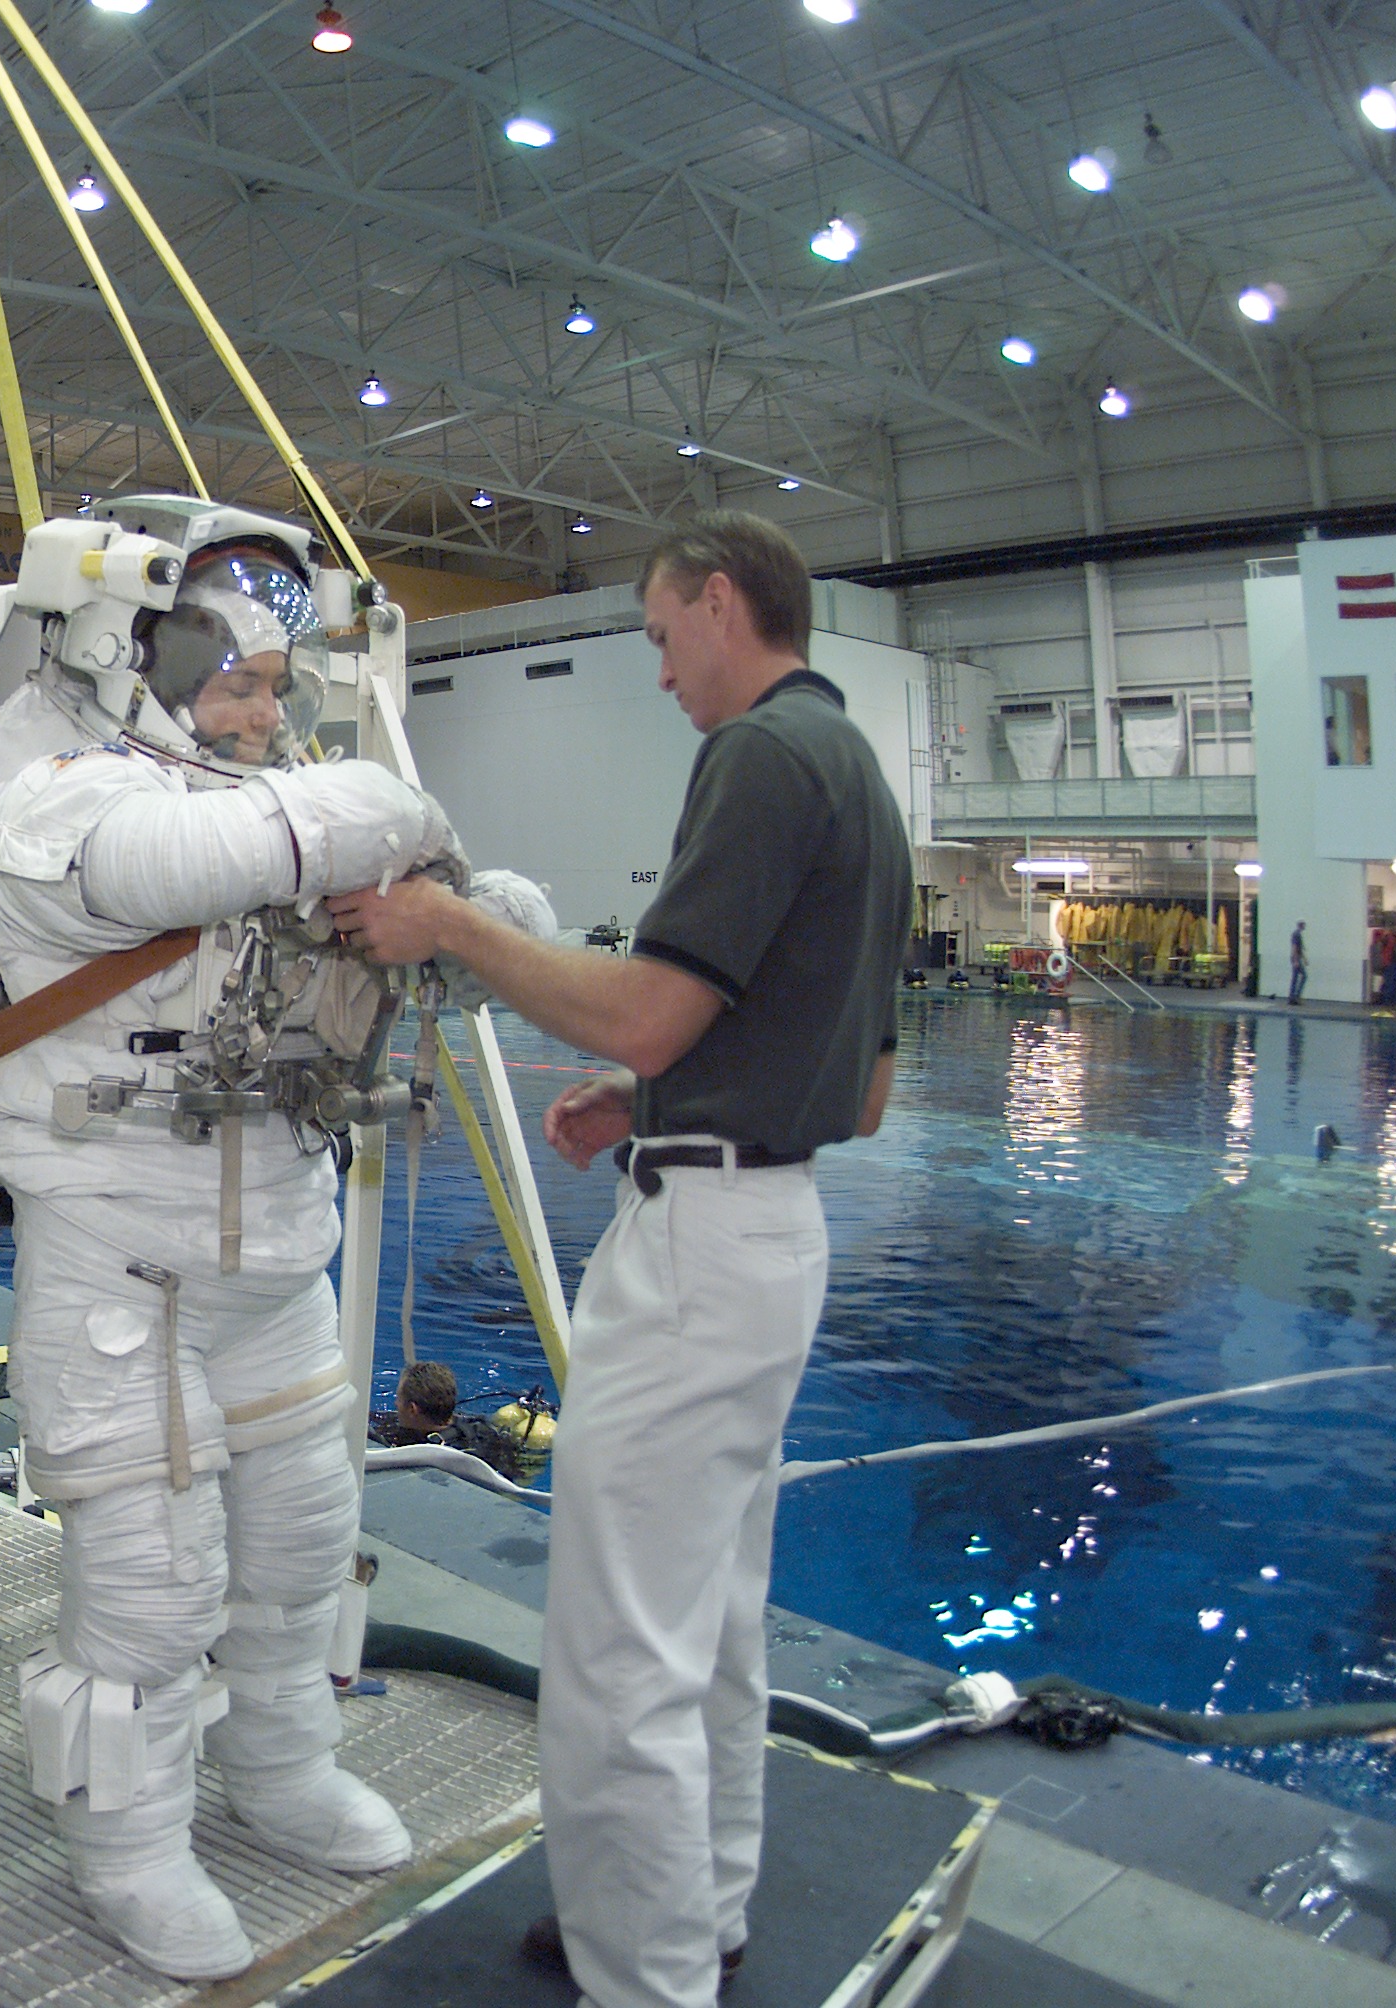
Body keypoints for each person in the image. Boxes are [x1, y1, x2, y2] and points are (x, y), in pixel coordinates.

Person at [331, 510, 910, 2008]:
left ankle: (647, 1979)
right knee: (709, 1618)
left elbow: (654, 1005)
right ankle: (695, 1914)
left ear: (722, 604)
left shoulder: (764, 757)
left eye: (658, 637)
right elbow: (859, 1088)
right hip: (774, 1233)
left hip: (704, 1254)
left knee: (615, 1653)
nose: (659, 675)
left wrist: (449, 923)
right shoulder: (860, 774)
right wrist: (652, 1103)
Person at [0, 500, 486, 1980]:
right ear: (137, 663)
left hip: (275, 1263)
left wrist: (472, 917)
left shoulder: (278, 803)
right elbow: (183, 867)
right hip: (127, 1269)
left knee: (304, 1548)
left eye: (273, 685)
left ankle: (282, 1768)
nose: (262, 715)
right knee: (150, 1593)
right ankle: (128, 1851)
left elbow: (411, 907)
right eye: (235, 684)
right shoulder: (60, 793)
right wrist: (393, 811)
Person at [367, 1360, 524, 1479]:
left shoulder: (401, 1442)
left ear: (412, 1409)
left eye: (399, 1399)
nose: (395, 1403)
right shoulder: (481, 1433)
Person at [1291, 919, 1308, 1005]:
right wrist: (1296, 960)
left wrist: (1304, 959)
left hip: (1297, 958)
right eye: (1304, 925)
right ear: (1301, 926)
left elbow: (1300, 949)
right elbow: (1295, 948)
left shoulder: (1297, 934)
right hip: (1296, 958)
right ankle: (1295, 997)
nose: (1305, 927)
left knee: (1295, 978)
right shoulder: (1296, 934)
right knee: (1303, 976)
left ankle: (1293, 997)